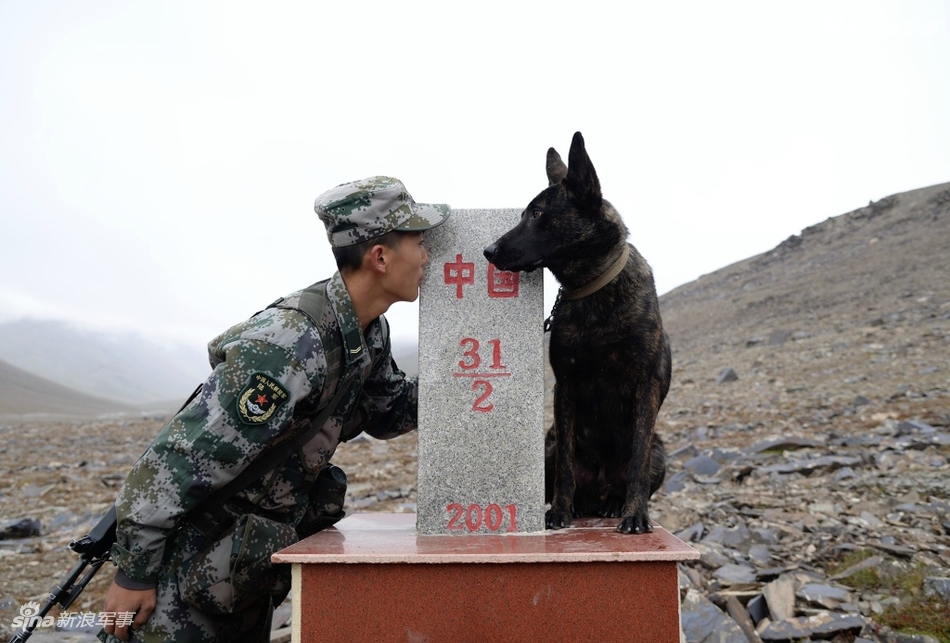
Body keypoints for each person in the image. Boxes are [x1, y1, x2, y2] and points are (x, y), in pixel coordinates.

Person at [99, 176, 449, 642]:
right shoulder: (289, 344)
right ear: (380, 257)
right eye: (420, 243)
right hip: (182, 580)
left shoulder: (369, 333)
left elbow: (386, 412)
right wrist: (135, 574)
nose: (427, 256)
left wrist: (471, 380)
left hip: (241, 567)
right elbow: (172, 462)